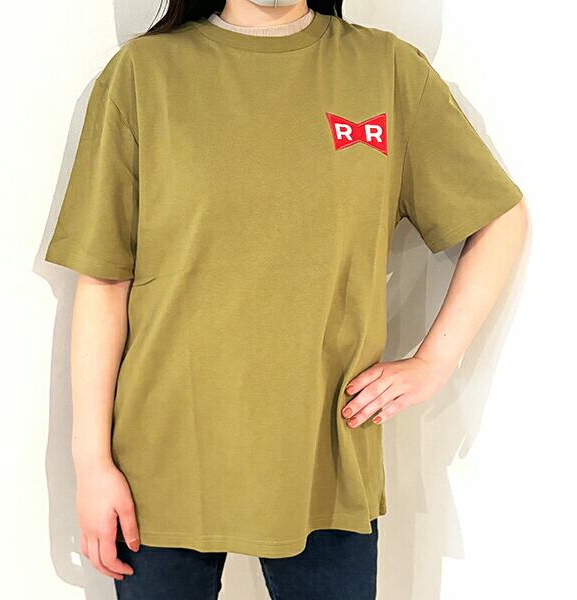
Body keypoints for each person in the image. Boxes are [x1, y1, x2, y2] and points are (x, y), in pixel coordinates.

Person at [44, 0, 529, 598]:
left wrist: (434, 362)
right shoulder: (143, 74)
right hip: (161, 462)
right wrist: (92, 463)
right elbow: (104, 278)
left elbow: (499, 219)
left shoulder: (386, 71)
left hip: (326, 464)